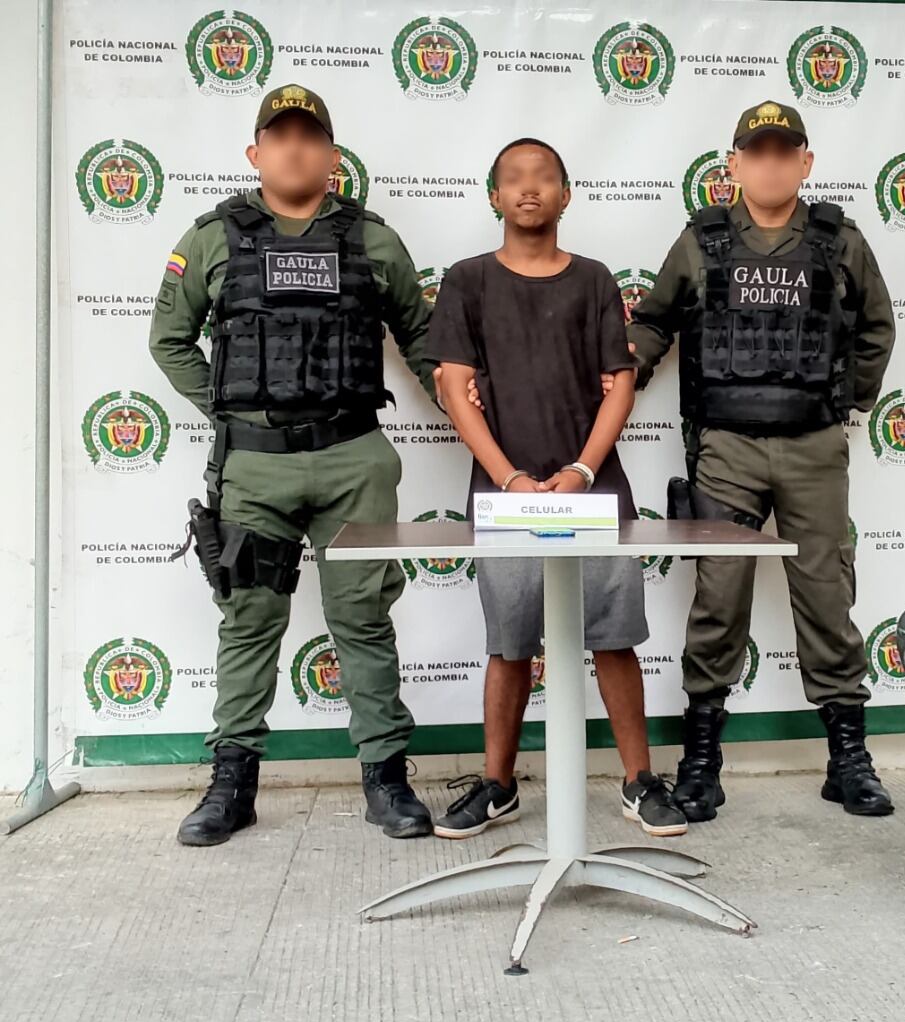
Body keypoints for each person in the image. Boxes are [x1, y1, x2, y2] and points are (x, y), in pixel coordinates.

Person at [150, 84, 436, 846]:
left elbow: (422, 337)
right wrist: (227, 408)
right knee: (249, 621)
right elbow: (169, 340)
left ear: (334, 158)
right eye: (280, 137)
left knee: (363, 621)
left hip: (354, 460)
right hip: (255, 467)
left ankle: (386, 779)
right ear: (256, 154)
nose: (296, 148)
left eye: (310, 137)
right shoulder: (214, 236)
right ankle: (231, 785)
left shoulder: (373, 240)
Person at [626, 100, 897, 821]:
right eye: (758, 151)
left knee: (827, 598)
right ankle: (702, 762)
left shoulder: (840, 242)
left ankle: (849, 761)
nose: (771, 163)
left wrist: (849, 405)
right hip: (728, 448)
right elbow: (654, 319)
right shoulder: (703, 240)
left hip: (813, 445)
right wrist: (625, 369)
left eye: (786, 151)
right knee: (718, 601)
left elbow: (876, 325)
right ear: (734, 165)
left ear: (806, 163)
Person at [427, 137, 683, 839]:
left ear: (567, 195)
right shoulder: (468, 280)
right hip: (502, 491)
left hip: (594, 490)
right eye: (513, 178)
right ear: (494, 198)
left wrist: (582, 470)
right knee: (509, 643)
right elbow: (453, 385)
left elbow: (620, 381)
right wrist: (508, 478)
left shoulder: (595, 279)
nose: (529, 188)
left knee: (614, 637)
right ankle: (498, 784)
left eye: (544, 178)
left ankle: (638, 780)